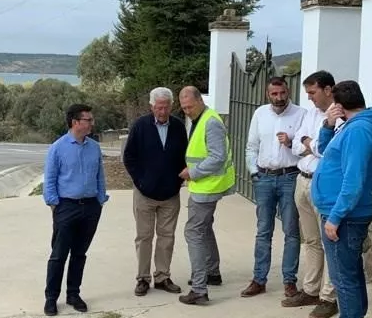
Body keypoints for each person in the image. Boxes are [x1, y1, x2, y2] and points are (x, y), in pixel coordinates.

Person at [310, 80, 372, 318]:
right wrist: (328, 126)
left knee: (344, 278)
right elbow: (323, 149)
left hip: (345, 216)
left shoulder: (358, 131)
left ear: (339, 105)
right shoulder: (352, 127)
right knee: (349, 274)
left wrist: (336, 217)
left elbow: (353, 182)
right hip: (340, 213)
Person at [41, 103, 109, 317]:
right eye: (88, 120)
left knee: (80, 254)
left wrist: (100, 198)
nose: (91, 123)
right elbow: (50, 180)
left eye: (91, 120)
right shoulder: (58, 147)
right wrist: (54, 204)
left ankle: (73, 294)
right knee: (59, 254)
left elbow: (100, 175)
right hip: (66, 207)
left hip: (90, 207)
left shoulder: (94, 147)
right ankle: (51, 298)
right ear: (75, 122)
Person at [242, 77, 306, 301]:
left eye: (282, 93)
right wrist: (253, 172)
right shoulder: (260, 114)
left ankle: (290, 281)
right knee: (263, 231)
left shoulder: (301, 114)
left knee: (291, 231)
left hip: (289, 176)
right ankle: (259, 279)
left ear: (288, 91)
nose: (279, 98)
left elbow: (307, 148)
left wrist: (290, 143)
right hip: (265, 178)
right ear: (267, 94)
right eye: (274, 94)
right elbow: (251, 146)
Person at [122, 87, 188, 296]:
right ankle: (143, 278)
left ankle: (162, 276)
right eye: (159, 107)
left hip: (170, 194)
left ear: (171, 105)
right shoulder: (140, 126)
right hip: (144, 194)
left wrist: (177, 182)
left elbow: (184, 156)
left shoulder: (178, 127)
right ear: (152, 106)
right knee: (144, 237)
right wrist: (140, 181)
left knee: (167, 236)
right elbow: (129, 157)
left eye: (166, 106)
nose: (162, 111)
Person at [177, 86, 235, 306]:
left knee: (193, 232)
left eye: (190, 106)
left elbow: (217, 157)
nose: (187, 111)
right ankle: (212, 272)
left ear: (200, 100)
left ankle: (199, 289)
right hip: (203, 186)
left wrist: (192, 172)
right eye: (183, 108)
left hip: (207, 186)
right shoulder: (200, 118)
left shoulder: (210, 122)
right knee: (204, 228)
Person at [291, 70, 339, 318]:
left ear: (328, 90)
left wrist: (309, 143)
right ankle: (310, 289)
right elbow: (296, 144)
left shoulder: (339, 115)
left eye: (313, 92)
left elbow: (326, 149)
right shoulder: (311, 114)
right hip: (303, 180)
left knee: (328, 241)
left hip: (323, 184)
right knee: (310, 240)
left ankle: (328, 297)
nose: (309, 98)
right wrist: (309, 143)